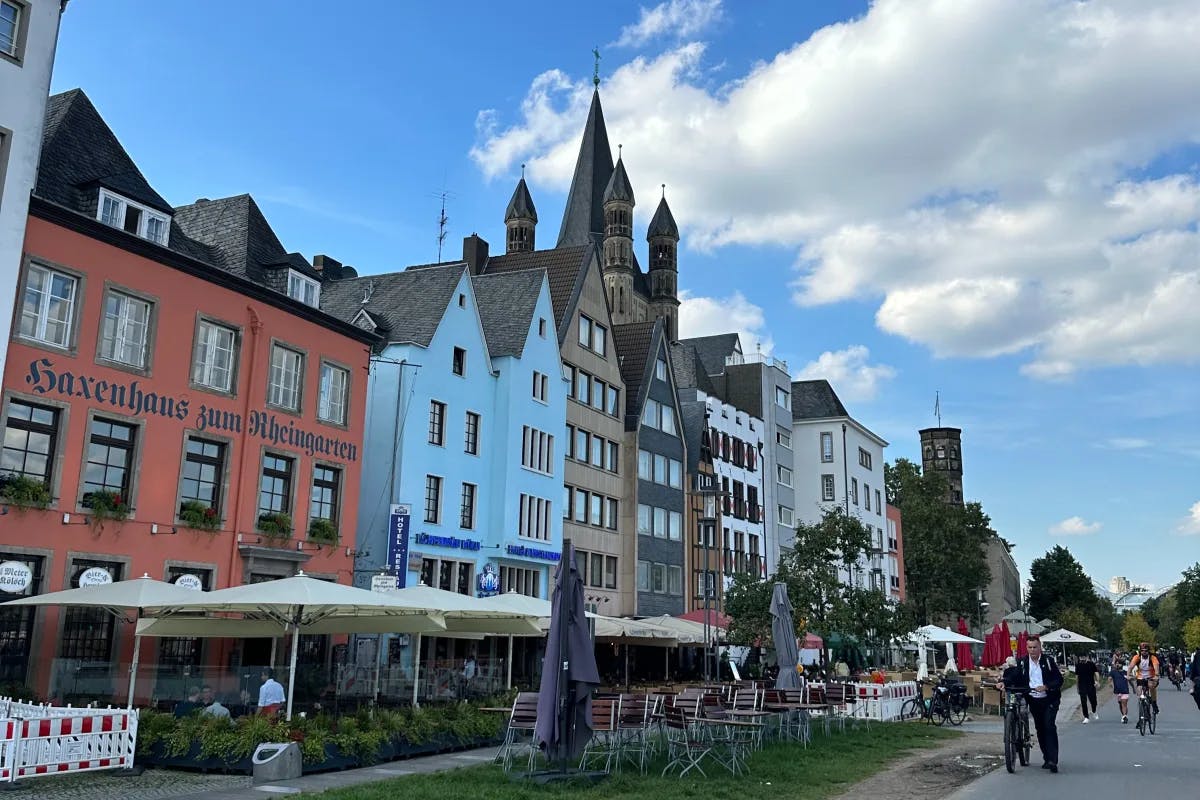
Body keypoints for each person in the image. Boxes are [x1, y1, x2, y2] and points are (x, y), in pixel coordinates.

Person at [998, 634, 1063, 773]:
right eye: (1029, 647)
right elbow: (1014, 675)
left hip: (1049, 698)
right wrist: (1004, 682)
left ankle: (1053, 760)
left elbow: (1059, 680)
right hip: (1033, 698)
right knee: (1040, 727)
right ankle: (1047, 757)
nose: (1032, 650)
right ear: (1026, 648)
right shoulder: (1022, 663)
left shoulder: (1048, 661)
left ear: (1040, 647)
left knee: (1049, 726)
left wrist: (1046, 686)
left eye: (1035, 647)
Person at [1126, 643, 1160, 715]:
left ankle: (1154, 703)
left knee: (1151, 686)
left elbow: (1156, 667)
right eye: (1142, 651)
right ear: (1140, 651)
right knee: (1139, 691)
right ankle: (1142, 714)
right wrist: (1128, 675)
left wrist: (1156, 675)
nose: (1144, 652)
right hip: (1140, 677)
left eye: (1146, 651)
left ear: (1148, 651)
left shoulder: (1153, 658)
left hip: (1151, 677)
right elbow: (1130, 667)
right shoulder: (1137, 657)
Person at [1075, 653, 1098, 723]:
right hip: (1082, 685)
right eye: (1081, 657)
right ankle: (1086, 717)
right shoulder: (1078, 665)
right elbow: (1077, 677)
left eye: (1084, 656)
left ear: (1086, 657)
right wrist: (1077, 687)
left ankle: (1094, 711)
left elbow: (1096, 673)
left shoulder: (1091, 664)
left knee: (1093, 701)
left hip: (1091, 684)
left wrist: (1098, 681)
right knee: (1083, 702)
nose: (1082, 658)